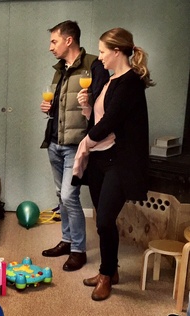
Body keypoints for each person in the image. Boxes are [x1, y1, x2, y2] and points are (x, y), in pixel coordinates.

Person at [75, 27, 154, 300]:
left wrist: (85, 143)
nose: (99, 57)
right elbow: (99, 120)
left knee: (105, 219)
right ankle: (110, 270)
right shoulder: (110, 81)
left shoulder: (130, 82)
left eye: (102, 51)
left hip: (119, 161)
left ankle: (106, 275)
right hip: (100, 159)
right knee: (102, 220)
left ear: (117, 51)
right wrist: (87, 107)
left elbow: (110, 122)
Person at [40, 20, 110, 272]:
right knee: (61, 195)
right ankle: (67, 240)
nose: (51, 47)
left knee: (70, 196)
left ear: (69, 40)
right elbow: (61, 106)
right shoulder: (60, 69)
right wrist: (49, 108)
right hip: (54, 141)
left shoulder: (94, 65)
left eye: (54, 41)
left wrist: (88, 101)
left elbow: (103, 104)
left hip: (76, 144)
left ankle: (78, 250)